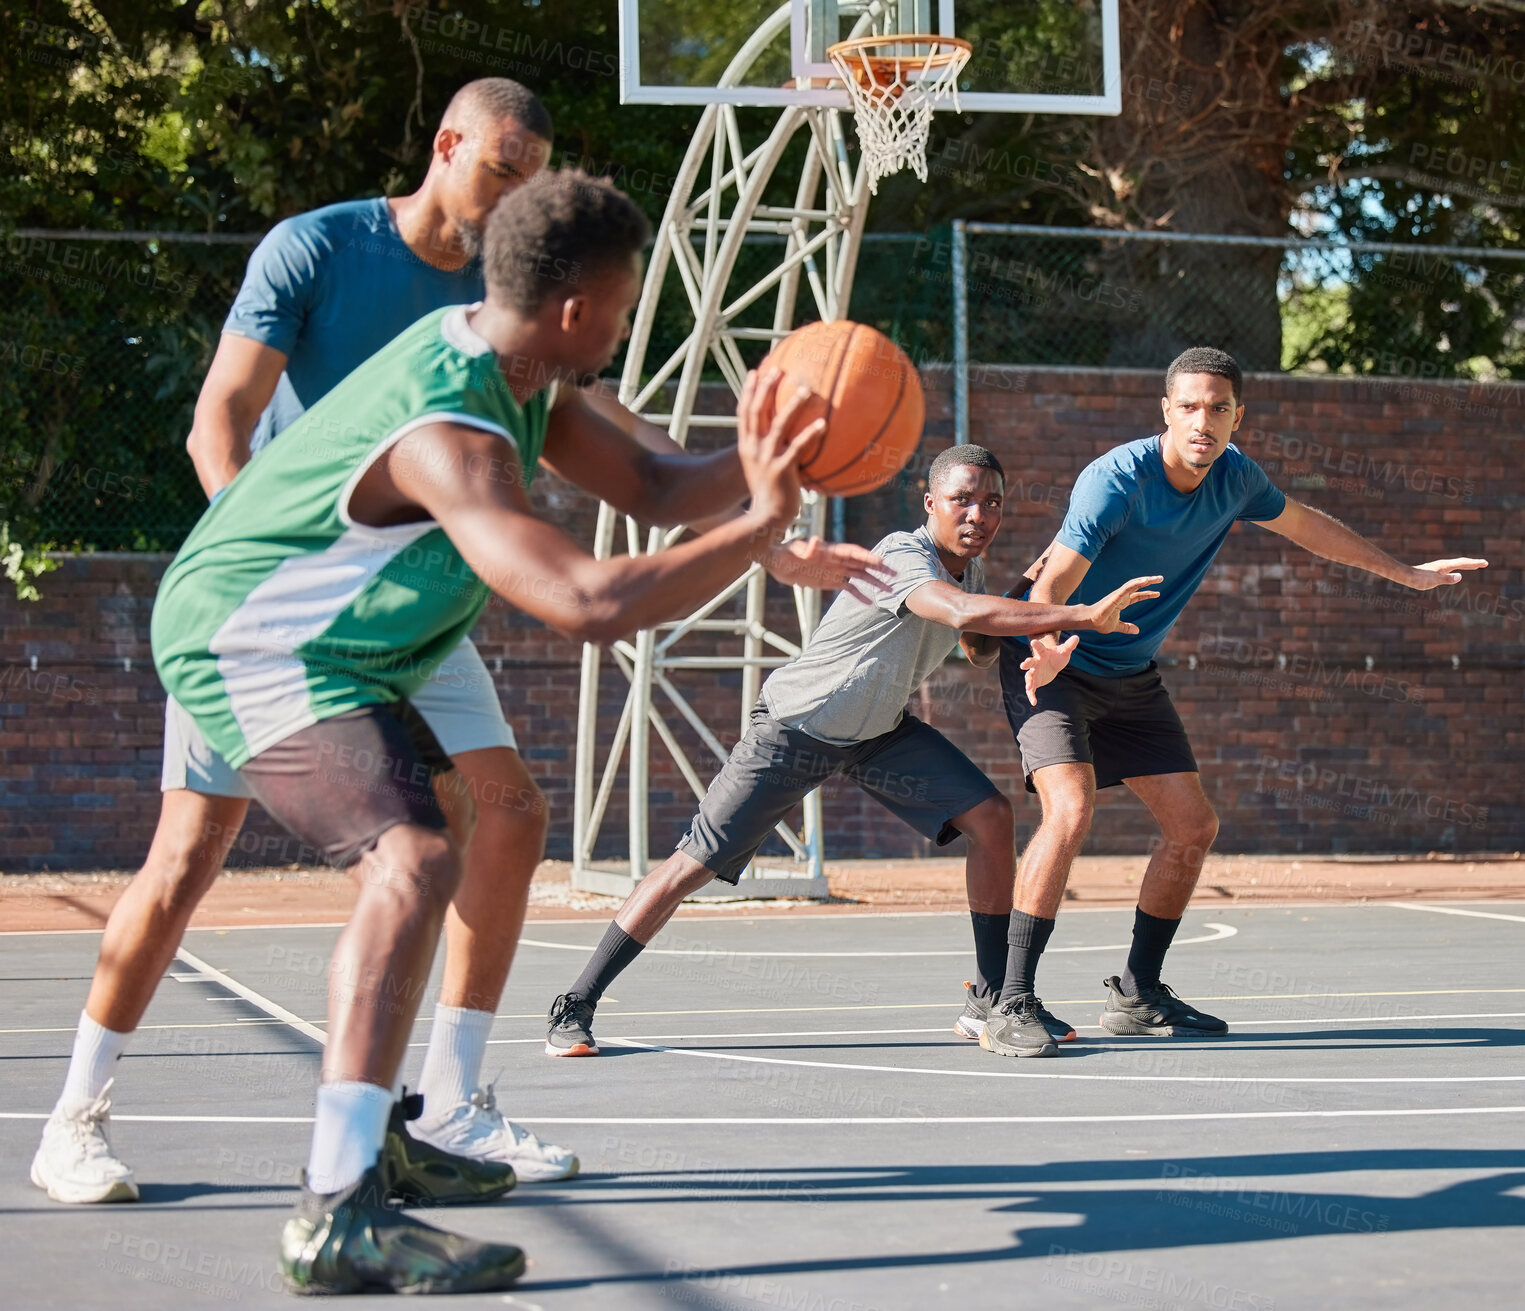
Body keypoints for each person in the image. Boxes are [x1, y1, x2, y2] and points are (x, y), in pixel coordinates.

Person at [31, 80, 881, 1207]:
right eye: (625, 309)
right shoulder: (450, 424)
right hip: (263, 632)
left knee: (481, 822)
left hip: (383, 622)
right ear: (579, 311)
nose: (627, 330)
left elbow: (652, 480)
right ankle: (318, 1198)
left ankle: (409, 1123)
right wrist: (764, 523)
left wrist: (773, 453)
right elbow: (584, 601)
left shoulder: (515, 364)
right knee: (384, 855)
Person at [544, 444, 1161, 1061]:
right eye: (963, 500)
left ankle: (992, 997)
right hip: (795, 729)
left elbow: (974, 642)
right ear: (931, 505)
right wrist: (1080, 612)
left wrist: (1034, 616)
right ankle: (576, 1003)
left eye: (993, 503)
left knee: (991, 818)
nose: (979, 514)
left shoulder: (967, 570)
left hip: (876, 735)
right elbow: (959, 612)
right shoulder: (902, 554)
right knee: (693, 865)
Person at [977, 346, 1488, 1060]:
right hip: (1051, 661)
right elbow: (1052, 582)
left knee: (1192, 826)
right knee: (1069, 809)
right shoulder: (1115, 479)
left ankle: (1136, 991)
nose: (1203, 420)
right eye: (1188, 405)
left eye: (1218, 408)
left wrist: (1406, 574)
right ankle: (1011, 999)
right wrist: (1054, 638)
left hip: (1127, 671)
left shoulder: (1237, 478)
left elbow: (1309, 525)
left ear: (1236, 416)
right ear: (1165, 410)